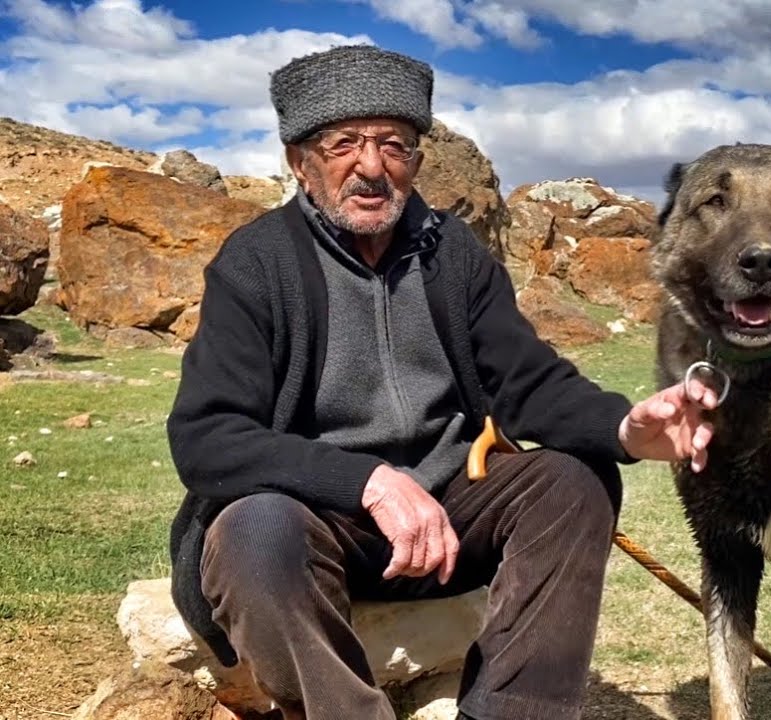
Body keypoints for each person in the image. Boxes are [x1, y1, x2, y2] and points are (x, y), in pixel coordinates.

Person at [165, 43, 716, 720]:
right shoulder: (256, 264)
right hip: (318, 520)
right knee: (254, 530)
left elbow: (528, 383)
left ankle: (510, 710)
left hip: (449, 521)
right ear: (299, 162)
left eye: (394, 144)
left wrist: (625, 427)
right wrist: (366, 482)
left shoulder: (451, 252)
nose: (372, 167)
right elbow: (207, 437)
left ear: (417, 161)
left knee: (576, 482)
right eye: (344, 144)